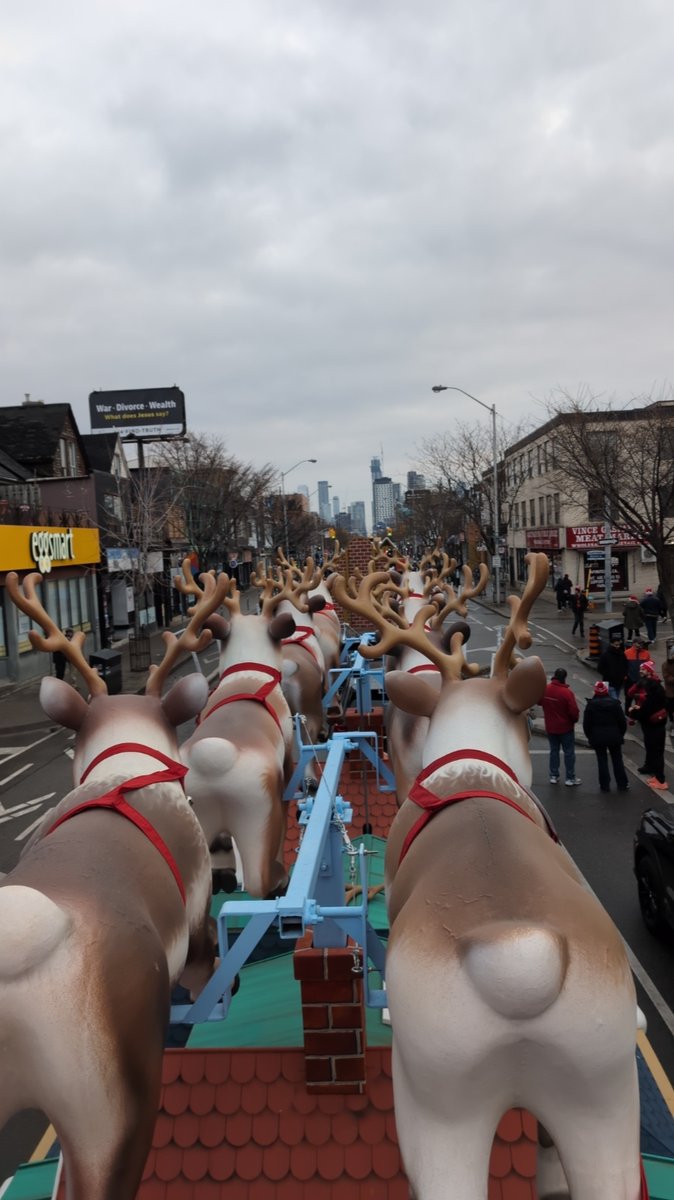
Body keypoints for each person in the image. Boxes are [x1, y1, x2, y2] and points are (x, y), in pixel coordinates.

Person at [627, 660, 668, 789]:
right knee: (653, 749)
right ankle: (653, 772)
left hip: (654, 725)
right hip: (656, 724)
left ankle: (660, 780)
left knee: (656, 752)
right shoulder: (657, 690)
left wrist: (633, 712)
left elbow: (645, 711)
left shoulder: (653, 696)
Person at [582, 680, 630, 793]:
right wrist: (620, 734)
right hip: (614, 736)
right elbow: (622, 722)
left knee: (602, 760)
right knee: (617, 760)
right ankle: (622, 783)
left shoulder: (591, 705)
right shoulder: (615, 704)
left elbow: (586, 724)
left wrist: (590, 737)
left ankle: (605, 785)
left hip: (598, 737)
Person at [541, 667, 581, 786]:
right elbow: (574, 711)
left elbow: (539, 701)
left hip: (550, 727)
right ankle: (570, 778)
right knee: (569, 753)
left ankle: (553, 775)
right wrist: (574, 721)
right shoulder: (567, 693)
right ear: (564, 678)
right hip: (565, 728)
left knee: (554, 751)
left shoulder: (546, 689)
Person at [597, 634, 628, 701]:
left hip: (619, 682)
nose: (618, 646)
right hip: (610, 683)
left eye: (619, 645)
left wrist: (624, 674)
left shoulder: (621, 654)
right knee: (615, 701)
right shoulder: (606, 655)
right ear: (611, 644)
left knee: (614, 699)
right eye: (616, 645)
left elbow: (626, 665)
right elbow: (600, 668)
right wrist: (609, 674)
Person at [662, 641, 674, 726]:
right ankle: (671, 719)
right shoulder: (665, 664)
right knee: (671, 708)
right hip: (671, 691)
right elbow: (667, 678)